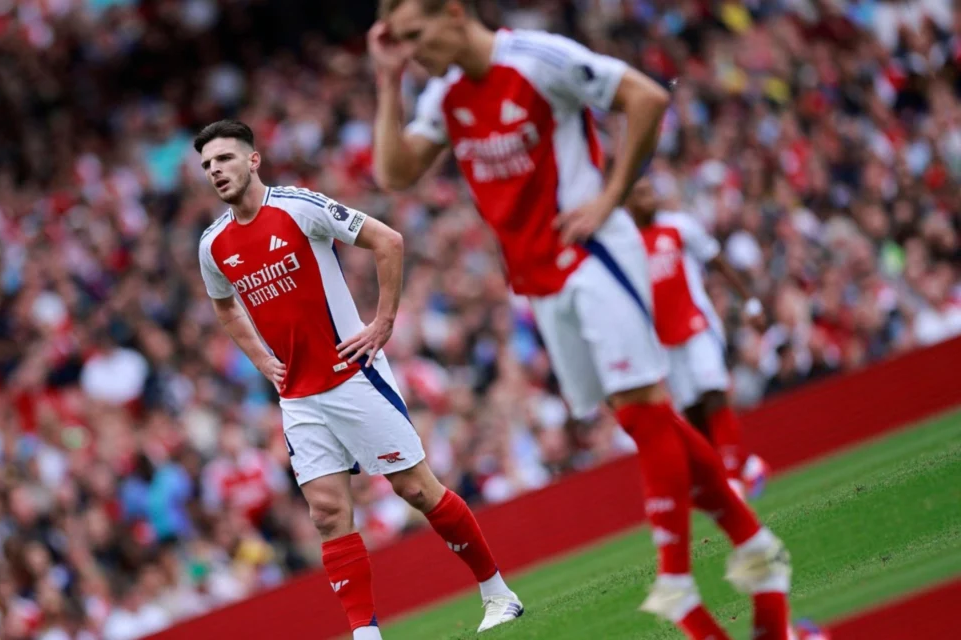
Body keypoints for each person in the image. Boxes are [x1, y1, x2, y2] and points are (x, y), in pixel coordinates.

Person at [368, 2, 792, 638]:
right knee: (638, 416)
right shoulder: (445, 94)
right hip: (538, 279)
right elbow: (395, 173)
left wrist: (609, 197)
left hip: (593, 255)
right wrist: (385, 81)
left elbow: (645, 97)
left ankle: (677, 580)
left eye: (416, 35)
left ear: (453, 14)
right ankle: (756, 548)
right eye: (399, 41)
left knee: (645, 409)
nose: (412, 51)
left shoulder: (537, 59)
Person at [194, 120, 522, 638]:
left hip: (352, 375)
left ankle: (498, 592)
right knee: (326, 514)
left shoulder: (298, 208)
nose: (216, 171)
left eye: (225, 159)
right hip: (297, 395)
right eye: (208, 165)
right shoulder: (213, 245)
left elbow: (387, 241)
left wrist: (383, 322)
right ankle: (365, 634)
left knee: (414, 490)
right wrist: (261, 360)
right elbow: (224, 307)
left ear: (253, 160)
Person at [627, 178, 771, 499]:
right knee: (694, 415)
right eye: (641, 194)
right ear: (628, 204)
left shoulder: (678, 227)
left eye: (651, 191)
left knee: (714, 395)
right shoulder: (628, 245)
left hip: (698, 326)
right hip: (664, 341)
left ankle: (732, 480)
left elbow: (716, 259)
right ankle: (744, 466)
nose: (650, 198)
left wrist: (749, 301)